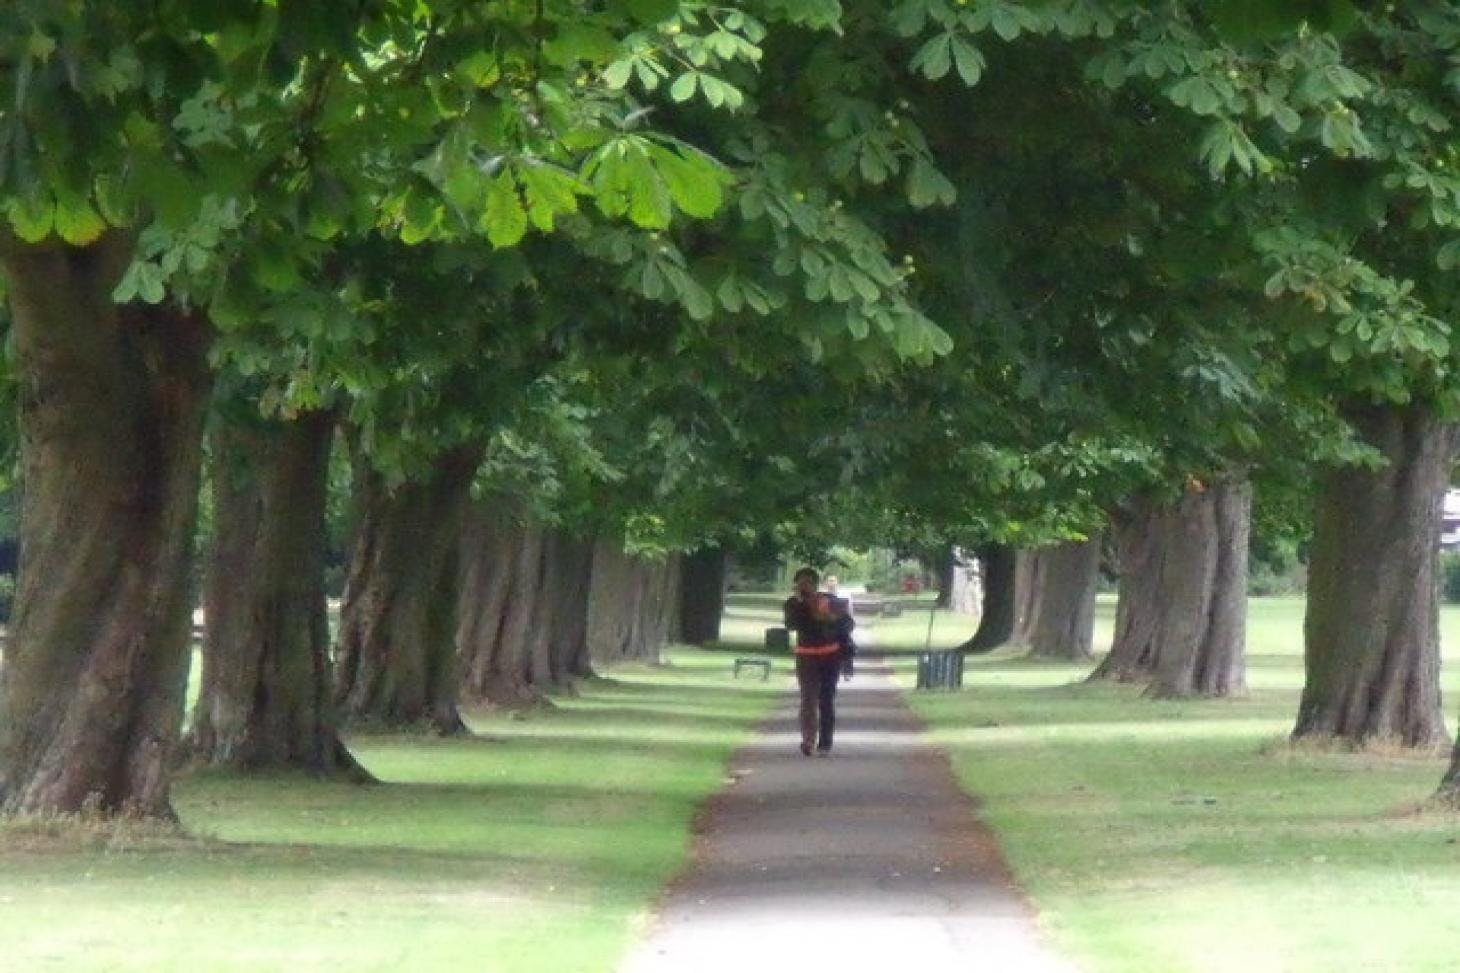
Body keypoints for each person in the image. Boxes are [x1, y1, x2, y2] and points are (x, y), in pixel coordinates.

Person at [784, 567, 855, 757]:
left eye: (808, 583)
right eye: (801, 583)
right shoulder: (792, 604)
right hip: (806, 656)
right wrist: (801, 604)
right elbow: (791, 625)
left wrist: (830, 618)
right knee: (808, 698)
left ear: (816, 584)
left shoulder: (829, 600)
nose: (804, 586)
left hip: (830, 656)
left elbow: (848, 624)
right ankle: (808, 740)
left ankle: (825, 743)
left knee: (826, 699)